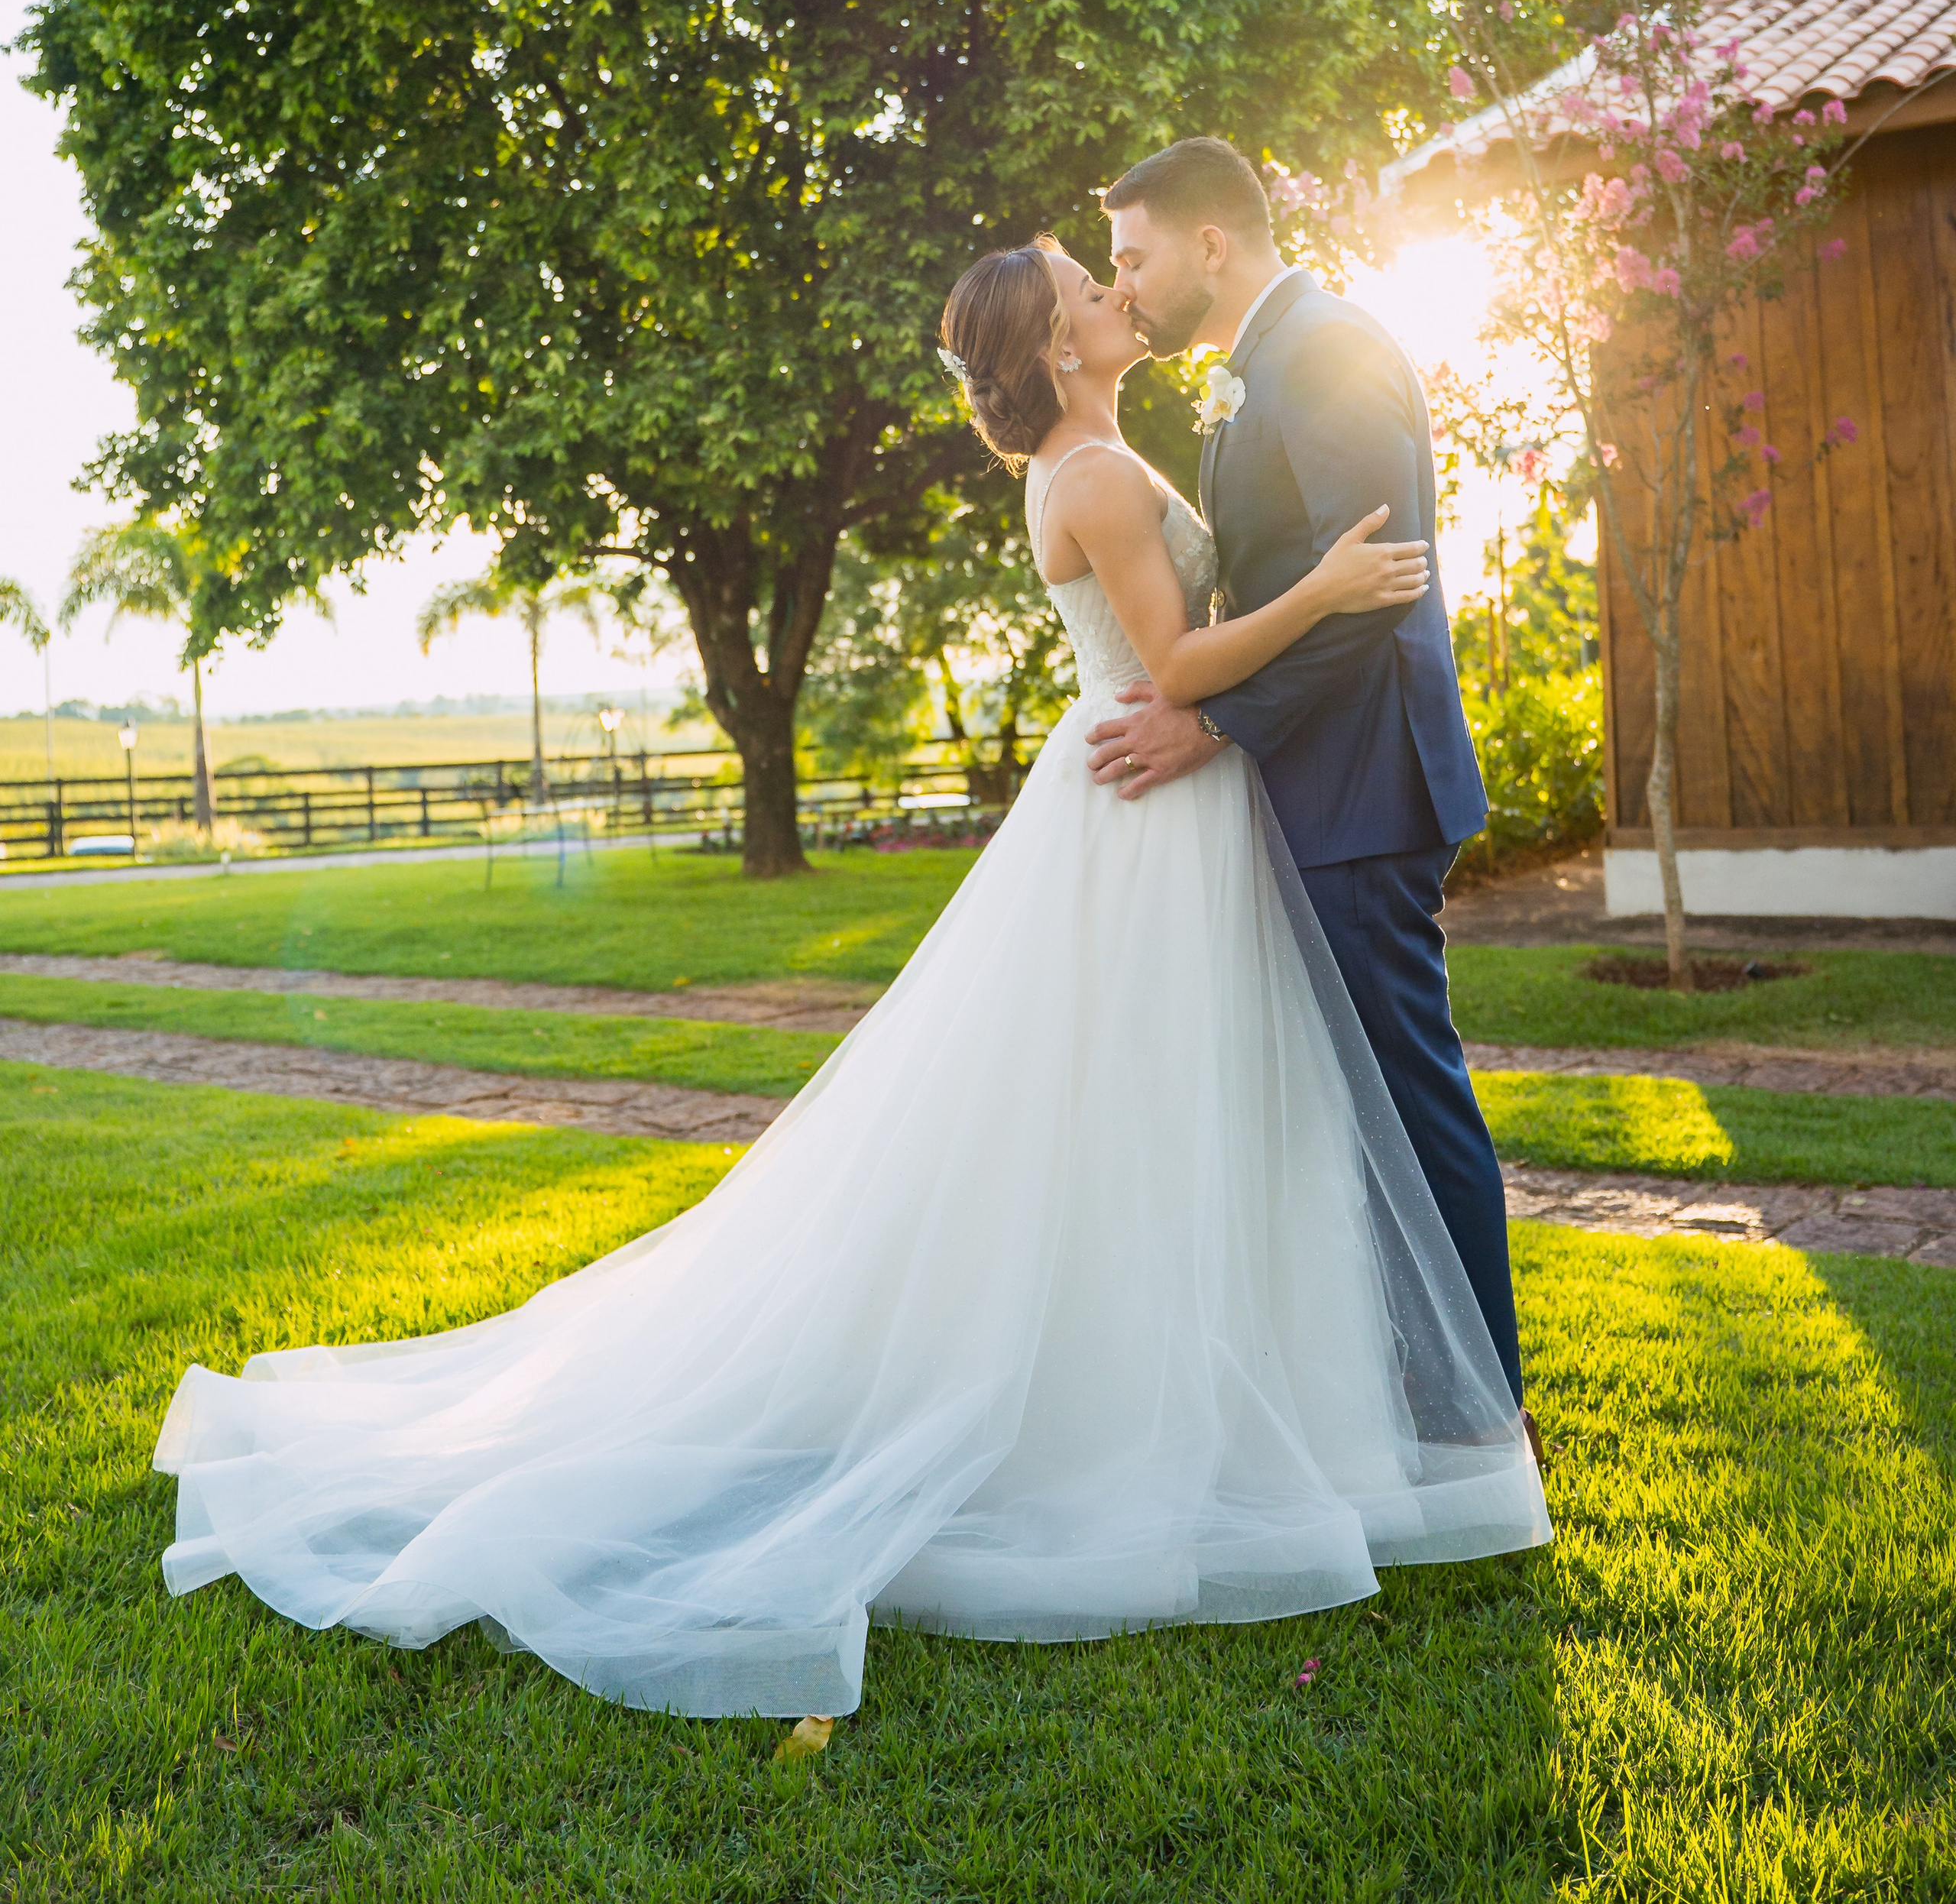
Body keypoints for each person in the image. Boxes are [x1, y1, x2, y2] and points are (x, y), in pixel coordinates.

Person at [153, 232, 1547, 1722]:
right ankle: (1136, 1423)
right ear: (1058, 350)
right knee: (1141, 1109)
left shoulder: (1105, 451)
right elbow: (1180, 669)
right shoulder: (1083, 476)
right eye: (1089, 288)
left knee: (1187, 1118)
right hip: (1148, 811)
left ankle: (1262, 1407)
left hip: (1173, 811)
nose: (1111, 293)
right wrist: (1328, 588)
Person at [1085, 137, 1533, 1439]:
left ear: (1209, 245)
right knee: (1355, 1104)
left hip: (1361, 788)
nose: (1126, 287)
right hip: (1320, 783)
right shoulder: (1260, 362)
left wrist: (1210, 721)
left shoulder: (1323, 349)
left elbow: (1364, 599)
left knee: (1405, 1096)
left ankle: (1479, 1419)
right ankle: (1401, 1388)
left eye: (1135, 257)